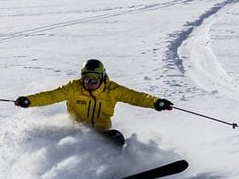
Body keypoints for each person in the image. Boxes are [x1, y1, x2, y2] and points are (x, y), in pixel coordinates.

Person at [14, 58, 171, 148]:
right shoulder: (73, 88)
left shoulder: (112, 90)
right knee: (69, 144)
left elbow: (137, 97)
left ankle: (113, 171)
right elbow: (50, 96)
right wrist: (29, 101)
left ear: (102, 77)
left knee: (117, 138)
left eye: (94, 78)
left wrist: (156, 102)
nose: (89, 82)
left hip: (101, 132)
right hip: (76, 130)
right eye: (86, 78)